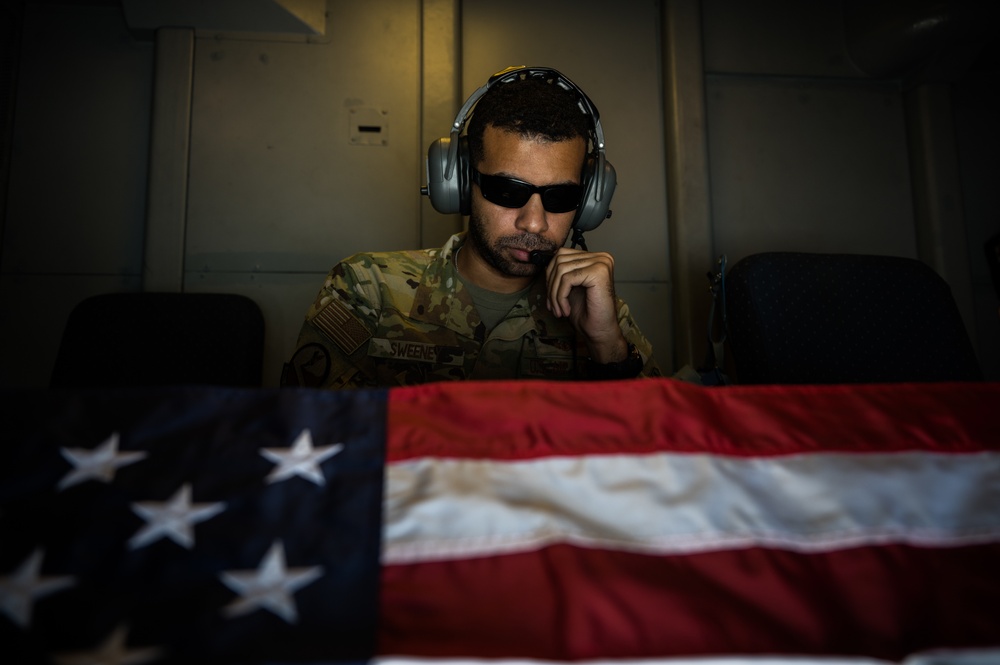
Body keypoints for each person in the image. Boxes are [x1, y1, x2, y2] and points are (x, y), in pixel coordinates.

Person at [281, 66, 661, 389]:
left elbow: (658, 456)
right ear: (461, 184)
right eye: (507, 190)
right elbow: (307, 435)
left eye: (560, 198)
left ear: (590, 199)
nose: (534, 221)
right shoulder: (367, 290)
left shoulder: (602, 315)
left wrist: (607, 346)